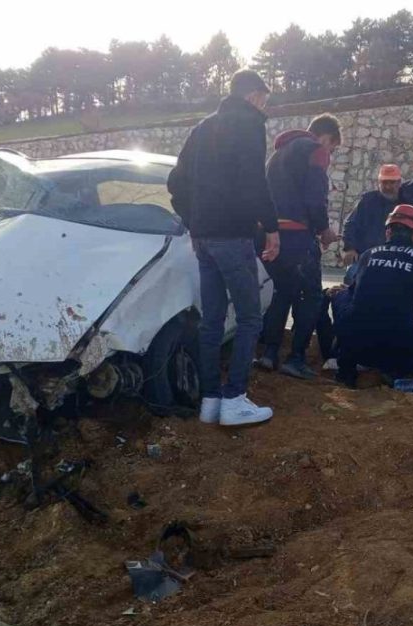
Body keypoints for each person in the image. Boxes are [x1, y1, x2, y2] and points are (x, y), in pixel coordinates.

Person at [166, 69, 279, 427]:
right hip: (233, 236)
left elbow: (175, 183)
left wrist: (194, 220)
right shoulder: (249, 124)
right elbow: (255, 182)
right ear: (253, 96)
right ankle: (235, 399)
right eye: (264, 99)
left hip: (203, 239)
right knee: (249, 317)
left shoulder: (201, 129)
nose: (264, 106)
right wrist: (272, 228)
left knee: (211, 321)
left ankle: (211, 401)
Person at [259, 114, 343, 379]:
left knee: (282, 292)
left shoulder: (277, 155)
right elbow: (314, 198)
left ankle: (269, 352)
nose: (330, 153)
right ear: (325, 137)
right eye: (333, 147)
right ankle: (296, 357)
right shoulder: (315, 151)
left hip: (270, 235)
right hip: (298, 236)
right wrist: (324, 230)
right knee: (311, 297)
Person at [333, 204, 413, 388]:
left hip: (358, 348)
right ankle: (396, 371)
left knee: (341, 296)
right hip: (396, 352)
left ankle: (345, 369)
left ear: (388, 232)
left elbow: (353, 294)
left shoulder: (367, 255)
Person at [341, 164, 403, 264]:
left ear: (399, 182)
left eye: (392, 182)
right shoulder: (367, 201)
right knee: (351, 276)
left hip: (396, 259)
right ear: (378, 183)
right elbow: (351, 224)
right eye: (384, 182)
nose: (388, 186)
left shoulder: (407, 202)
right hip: (366, 257)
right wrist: (350, 249)